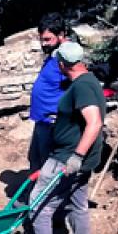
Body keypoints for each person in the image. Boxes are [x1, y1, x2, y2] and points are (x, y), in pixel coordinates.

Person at [9, 41, 106, 234]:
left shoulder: (82, 87)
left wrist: (76, 156)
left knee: (38, 204)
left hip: (67, 158)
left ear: (62, 64)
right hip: (80, 158)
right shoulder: (89, 80)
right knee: (77, 206)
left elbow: (94, 123)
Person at [28, 14, 71, 172]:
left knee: (48, 164)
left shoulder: (67, 58)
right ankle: (34, 187)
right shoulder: (53, 54)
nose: (43, 44)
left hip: (52, 121)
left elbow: (75, 86)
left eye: (47, 39)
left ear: (61, 35)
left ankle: (48, 189)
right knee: (35, 158)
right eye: (42, 39)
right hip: (42, 119)